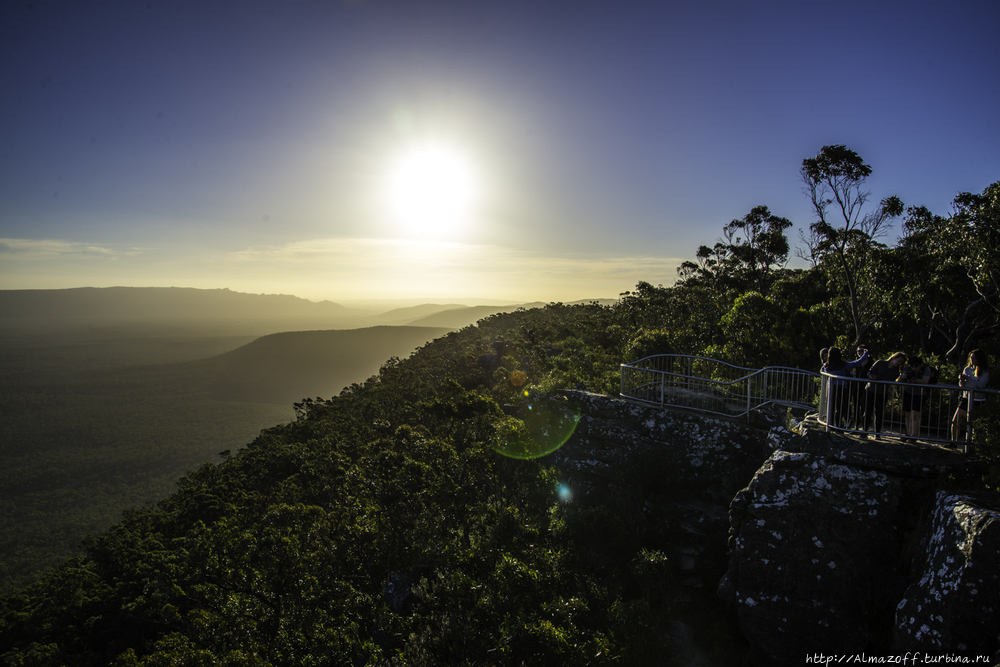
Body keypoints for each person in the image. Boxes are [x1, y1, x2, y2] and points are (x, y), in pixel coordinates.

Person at [823, 346, 870, 428]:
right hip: (841, 388)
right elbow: (857, 363)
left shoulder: (826, 366)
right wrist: (866, 354)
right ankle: (839, 425)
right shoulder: (842, 365)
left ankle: (830, 425)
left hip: (830, 387)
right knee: (840, 407)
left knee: (831, 407)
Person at [863, 351, 906, 439]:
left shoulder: (895, 373)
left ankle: (877, 433)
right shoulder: (880, 363)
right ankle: (864, 432)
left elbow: (889, 380)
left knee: (879, 413)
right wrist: (870, 376)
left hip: (882, 393)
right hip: (870, 390)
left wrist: (877, 378)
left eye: (901, 363)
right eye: (899, 360)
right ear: (894, 357)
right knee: (867, 412)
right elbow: (870, 371)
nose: (899, 363)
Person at [950, 349, 991, 442]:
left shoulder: (984, 371)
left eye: (974, 358)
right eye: (971, 357)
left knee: (974, 424)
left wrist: (968, 378)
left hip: (978, 400)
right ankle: (953, 441)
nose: (972, 360)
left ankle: (972, 444)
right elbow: (962, 385)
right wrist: (961, 380)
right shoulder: (967, 369)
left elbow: (981, 385)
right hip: (966, 398)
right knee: (955, 421)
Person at [897, 355, 931, 442]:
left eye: (916, 366)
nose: (914, 368)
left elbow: (925, 381)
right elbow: (899, 380)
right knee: (908, 414)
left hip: (919, 394)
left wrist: (914, 380)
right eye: (912, 366)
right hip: (907, 392)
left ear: (920, 365)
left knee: (915, 415)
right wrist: (903, 378)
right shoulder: (907, 369)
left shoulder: (926, 369)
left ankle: (914, 435)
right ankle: (909, 433)